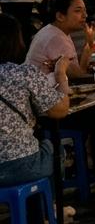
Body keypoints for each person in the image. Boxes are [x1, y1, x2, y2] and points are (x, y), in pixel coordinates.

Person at [0, 15, 70, 186]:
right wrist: (61, 74)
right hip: (21, 165)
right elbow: (60, 110)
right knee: (53, 147)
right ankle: (49, 207)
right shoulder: (24, 73)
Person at [25, 0, 95, 79]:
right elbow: (78, 75)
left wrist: (89, 43)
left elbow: (77, 69)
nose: (85, 15)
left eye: (85, 10)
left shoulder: (55, 31)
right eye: (78, 11)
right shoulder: (55, 37)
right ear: (60, 16)